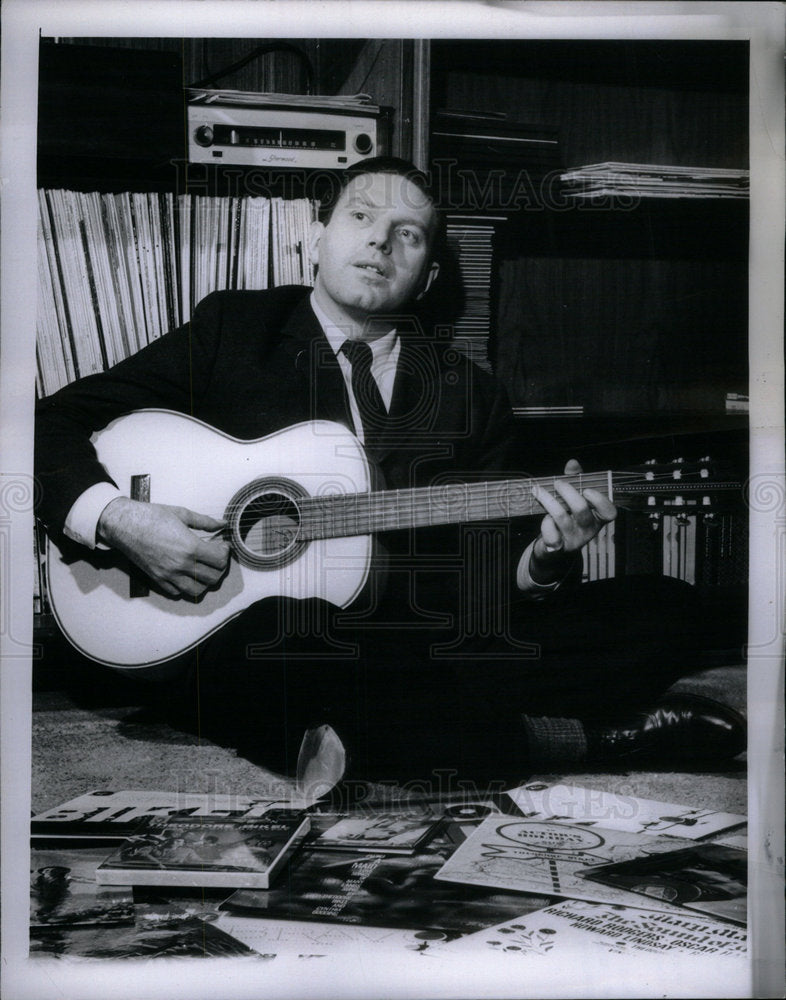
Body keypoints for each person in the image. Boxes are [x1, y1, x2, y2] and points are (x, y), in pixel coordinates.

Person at [35, 157, 746, 787]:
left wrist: (545, 560)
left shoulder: (469, 393)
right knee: (284, 638)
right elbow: (43, 424)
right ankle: (572, 737)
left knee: (665, 609)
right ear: (315, 239)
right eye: (363, 216)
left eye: (408, 233)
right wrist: (120, 518)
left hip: (409, 634)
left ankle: (363, 734)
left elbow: (479, 580)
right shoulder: (235, 332)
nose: (380, 239)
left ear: (428, 273)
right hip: (249, 632)